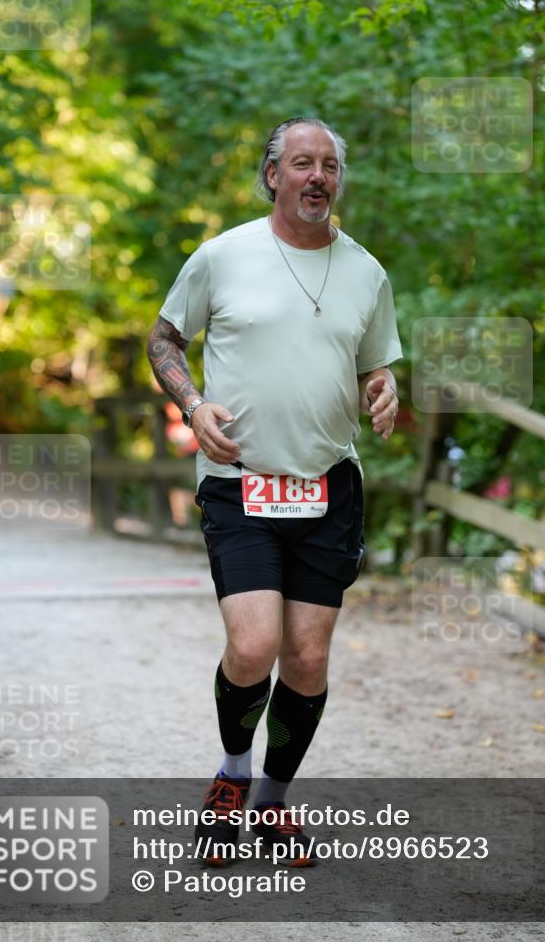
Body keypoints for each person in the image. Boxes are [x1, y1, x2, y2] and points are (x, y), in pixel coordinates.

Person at [147, 117, 402, 867]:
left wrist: (383, 388)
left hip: (328, 485)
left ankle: (273, 803)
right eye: (301, 163)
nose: (316, 176)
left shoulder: (366, 271)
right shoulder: (223, 256)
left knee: (307, 661)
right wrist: (193, 406)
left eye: (328, 165)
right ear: (272, 176)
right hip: (239, 485)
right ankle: (230, 780)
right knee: (254, 646)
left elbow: (373, 368)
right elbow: (162, 338)